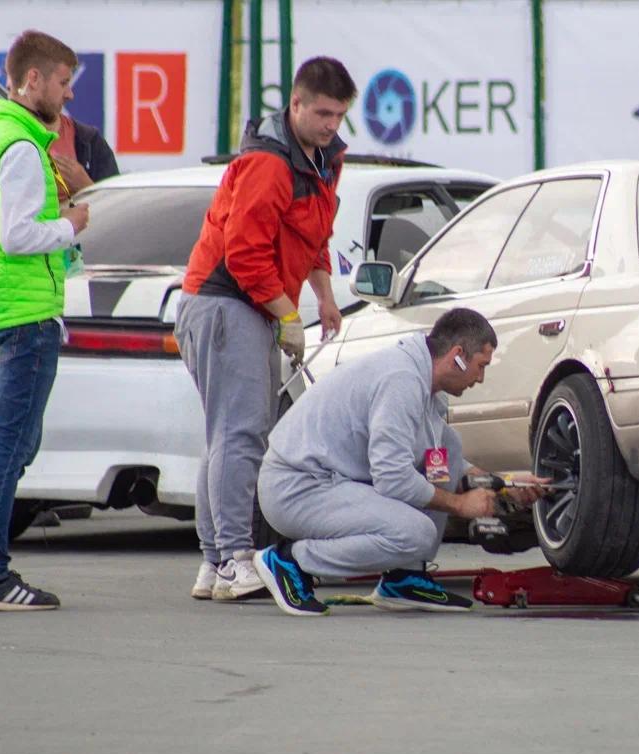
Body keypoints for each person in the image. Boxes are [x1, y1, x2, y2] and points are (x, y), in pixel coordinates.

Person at [175, 57, 355, 603]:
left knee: (227, 435)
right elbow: (246, 255)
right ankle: (233, 559)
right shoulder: (270, 164)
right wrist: (287, 313)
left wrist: (322, 296)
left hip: (237, 305)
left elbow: (313, 238)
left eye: (340, 115)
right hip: (225, 303)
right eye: (323, 112)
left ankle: (213, 564)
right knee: (241, 434)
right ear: (294, 105)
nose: (331, 124)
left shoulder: (322, 161)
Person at [252, 309, 546, 616]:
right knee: (415, 533)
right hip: (297, 487)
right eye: (480, 365)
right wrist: (461, 505)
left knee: (448, 444)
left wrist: (504, 485)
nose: (480, 378)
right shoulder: (401, 380)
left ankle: (405, 577)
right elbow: (392, 477)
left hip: (331, 481)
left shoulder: (423, 383)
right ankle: (289, 561)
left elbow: (437, 460)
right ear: (458, 355)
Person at [0, 30, 90, 610]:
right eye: (62, 83)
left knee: (13, 445)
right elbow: (16, 235)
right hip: (29, 313)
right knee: (11, 448)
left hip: (2, 308)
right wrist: (71, 225)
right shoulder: (22, 147)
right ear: (31, 79)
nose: (67, 97)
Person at [47, 111, 119, 200]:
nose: (69, 96)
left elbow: (116, 205)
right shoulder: (26, 141)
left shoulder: (90, 140)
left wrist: (86, 187)